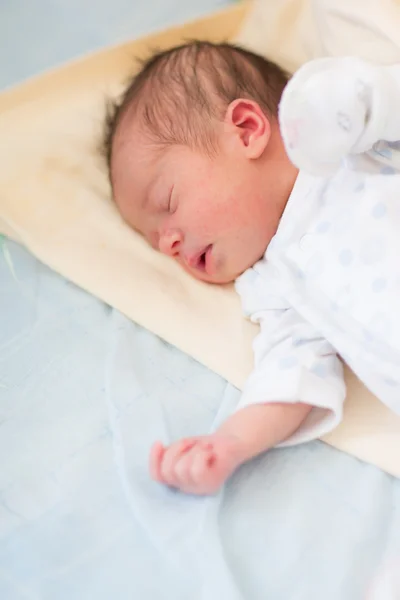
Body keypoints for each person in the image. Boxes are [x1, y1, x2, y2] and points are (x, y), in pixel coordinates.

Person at [104, 41, 400, 495]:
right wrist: (230, 442)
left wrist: (360, 101)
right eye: (154, 240)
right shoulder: (275, 284)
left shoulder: (348, 146)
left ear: (246, 130)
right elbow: (293, 372)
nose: (168, 242)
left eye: (167, 203)